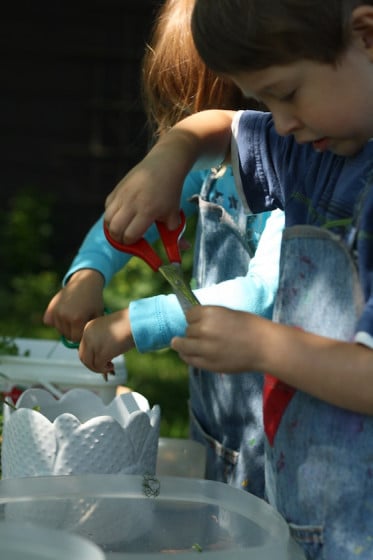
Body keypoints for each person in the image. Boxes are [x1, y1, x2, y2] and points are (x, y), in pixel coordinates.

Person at [102, 1, 373, 558]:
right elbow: (223, 128)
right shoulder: (318, 148)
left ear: (367, 35)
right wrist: (171, 154)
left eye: (288, 93)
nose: (281, 122)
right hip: (306, 513)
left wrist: (261, 344)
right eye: (265, 102)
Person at [43, 0, 284, 498]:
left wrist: (137, 321)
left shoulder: (288, 186)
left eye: (191, 120)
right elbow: (132, 217)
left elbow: (263, 296)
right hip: (213, 410)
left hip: (271, 430)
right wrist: (88, 272)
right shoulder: (209, 169)